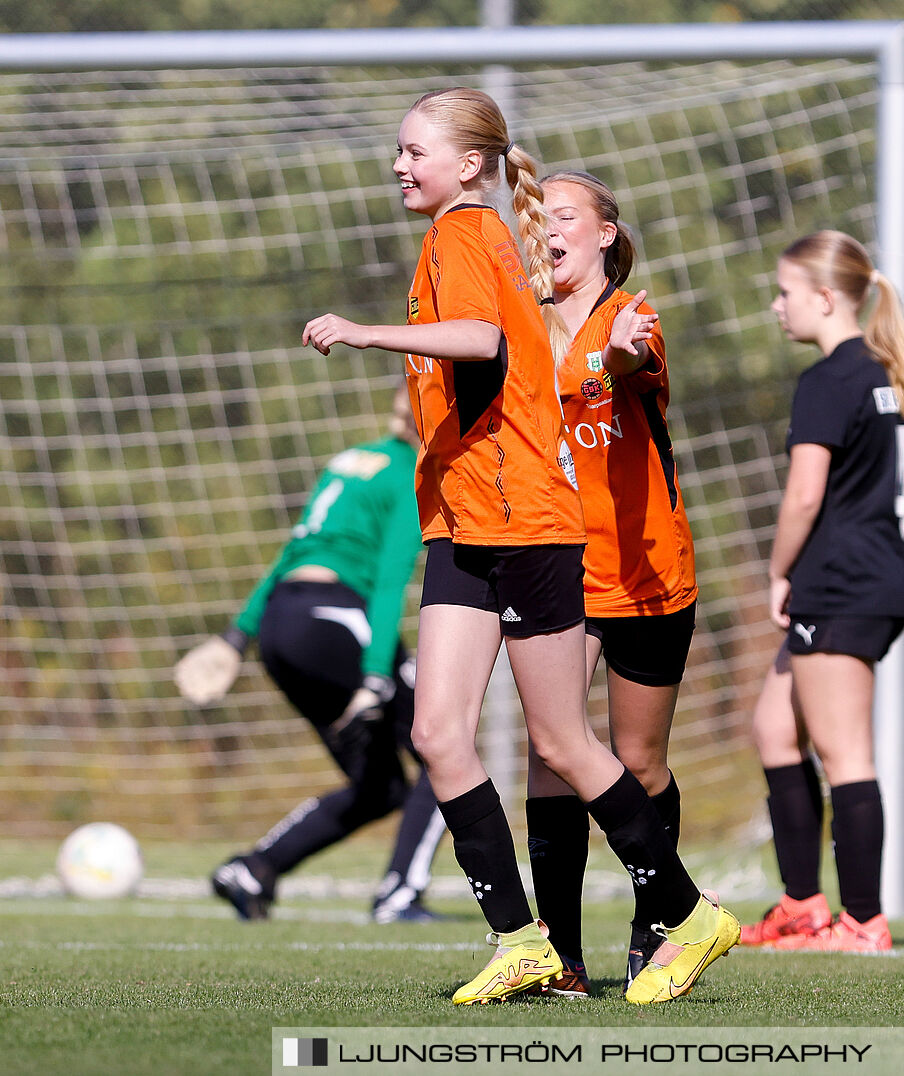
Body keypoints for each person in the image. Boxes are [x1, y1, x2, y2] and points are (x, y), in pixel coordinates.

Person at [299, 87, 736, 1006]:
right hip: (463, 522)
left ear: (468, 164)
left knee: (564, 744)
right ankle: (522, 940)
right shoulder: (453, 237)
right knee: (437, 731)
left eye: (415, 150)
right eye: (398, 149)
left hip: (525, 522)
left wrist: (365, 330)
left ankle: (687, 914)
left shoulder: (466, 230)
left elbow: (482, 337)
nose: (398, 164)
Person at [518, 169, 700, 997]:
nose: (550, 229)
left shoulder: (630, 318)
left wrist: (622, 356)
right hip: (563, 568)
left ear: (603, 235)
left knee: (638, 760)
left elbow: (631, 361)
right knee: (552, 754)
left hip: (648, 571)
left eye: (566, 216)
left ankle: (660, 928)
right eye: (539, 217)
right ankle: (558, 958)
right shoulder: (516, 327)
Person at [174, 388, 444, 925]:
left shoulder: (350, 461)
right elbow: (388, 584)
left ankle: (255, 869)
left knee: (381, 787)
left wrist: (238, 634)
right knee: (446, 747)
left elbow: (291, 554)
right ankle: (399, 896)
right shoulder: (410, 473)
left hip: (282, 624)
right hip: (338, 619)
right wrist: (374, 675)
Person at [741, 229, 904, 953]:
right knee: (773, 727)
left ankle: (863, 921)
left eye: (785, 293)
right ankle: (802, 905)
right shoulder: (880, 370)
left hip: (841, 583)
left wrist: (779, 570)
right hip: (872, 580)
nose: (777, 307)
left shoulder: (829, 379)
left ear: (823, 297)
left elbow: (804, 496)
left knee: (845, 754)